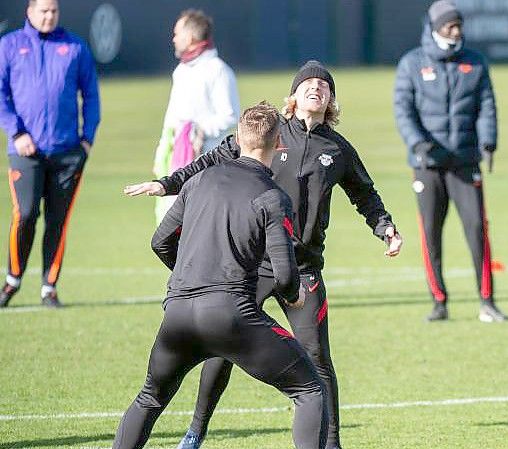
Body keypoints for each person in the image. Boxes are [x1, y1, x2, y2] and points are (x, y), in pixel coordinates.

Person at [123, 60, 402, 449]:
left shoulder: (337, 150)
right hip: (251, 267)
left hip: (302, 268)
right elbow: (210, 163)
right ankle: (196, 431)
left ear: (331, 100)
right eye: (309, 83)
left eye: (324, 85)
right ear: (294, 95)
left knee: (317, 357)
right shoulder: (268, 134)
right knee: (221, 349)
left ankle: (332, 443)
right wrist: (167, 184)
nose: (316, 88)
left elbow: (365, 194)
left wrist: (384, 226)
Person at [112, 102, 328, 449]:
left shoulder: (197, 181)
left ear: (238, 138)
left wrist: (189, 277)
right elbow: (286, 276)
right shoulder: (273, 197)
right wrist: (294, 295)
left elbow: (160, 241)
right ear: (278, 144)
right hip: (230, 316)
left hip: (178, 314)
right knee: (309, 389)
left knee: (150, 398)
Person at [394, 0, 507, 322]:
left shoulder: (475, 62)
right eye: (450, 26)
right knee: (430, 232)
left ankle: (487, 301)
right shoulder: (411, 63)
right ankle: (439, 301)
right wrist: (418, 143)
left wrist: (489, 141)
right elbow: (403, 110)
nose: (456, 31)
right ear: (434, 27)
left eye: (459, 25)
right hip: (427, 164)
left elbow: (487, 105)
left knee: (476, 228)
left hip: (465, 161)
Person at [0, 0, 100, 308]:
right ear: (29, 11)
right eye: (43, 10)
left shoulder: (75, 47)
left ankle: (49, 287)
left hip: (67, 153)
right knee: (26, 214)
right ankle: (13, 280)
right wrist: (16, 133)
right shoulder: (9, 45)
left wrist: (86, 141)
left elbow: (91, 95)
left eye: (53, 11)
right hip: (25, 152)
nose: (49, 16)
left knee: (58, 221)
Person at [153, 9, 239, 223]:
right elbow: (172, 118)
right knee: (171, 222)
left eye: (177, 34)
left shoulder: (218, 70)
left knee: (203, 221)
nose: (173, 39)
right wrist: (162, 152)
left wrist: (200, 131)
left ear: (190, 37)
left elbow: (230, 115)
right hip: (177, 160)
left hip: (208, 161)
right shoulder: (181, 70)